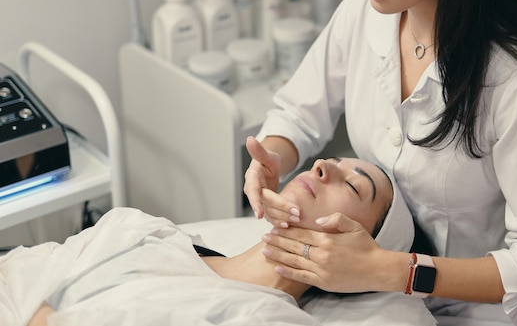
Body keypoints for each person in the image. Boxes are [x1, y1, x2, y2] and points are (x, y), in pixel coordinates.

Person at [243, 0, 517, 325]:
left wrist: (390, 269)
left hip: (492, 312)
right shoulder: (361, 16)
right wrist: (274, 158)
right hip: (384, 294)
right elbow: (297, 114)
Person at [1, 155, 415, 326]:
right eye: (334, 161)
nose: (322, 165)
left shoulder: (264, 318)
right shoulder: (144, 230)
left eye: (355, 187)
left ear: (359, 247)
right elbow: (24, 272)